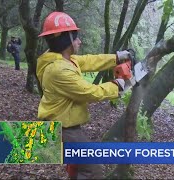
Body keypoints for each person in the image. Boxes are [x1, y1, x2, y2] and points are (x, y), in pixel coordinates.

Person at [36, 11, 131, 179]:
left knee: (77, 168)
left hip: (65, 124)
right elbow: (88, 92)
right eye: (76, 37)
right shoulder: (58, 70)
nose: (79, 41)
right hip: (62, 129)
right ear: (67, 40)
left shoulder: (62, 59)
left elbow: (89, 60)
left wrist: (116, 58)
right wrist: (117, 86)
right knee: (93, 169)